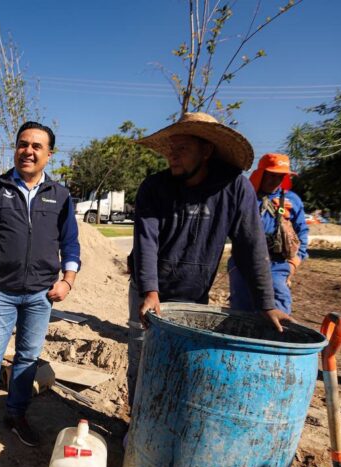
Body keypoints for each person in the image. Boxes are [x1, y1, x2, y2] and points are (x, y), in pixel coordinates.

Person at [127, 112, 290, 409]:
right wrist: (150, 291)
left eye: (182, 149)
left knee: (184, 363)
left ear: (206, 151)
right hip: (148, 290)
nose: (172, 157)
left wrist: (268, 304)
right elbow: (145, 243)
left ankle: (170, 422)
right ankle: (136, 425)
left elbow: (251, 247)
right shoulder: (154, 187)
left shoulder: (235, 188)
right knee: (143, 359)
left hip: (194, 294)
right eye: (170, 150)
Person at [0, 121, 81, 457]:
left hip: (41, 293)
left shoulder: (60, 195)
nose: (28, 151)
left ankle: (16, 415)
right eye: (22, 144)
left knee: (28, 358)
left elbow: (71, 243)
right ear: (15, 148)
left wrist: (67, 280)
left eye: (36, 146)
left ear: (49, 154)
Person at [229, 153, 309, 314]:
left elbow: (302, 233)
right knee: (241, 312)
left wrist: (293, 264)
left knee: (278, 309)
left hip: (277, 265)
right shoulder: (244, 197)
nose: (275, 180)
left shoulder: (292, 200)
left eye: (281, 176)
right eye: (271, 175)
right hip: (243, 262)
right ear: (261, 174)